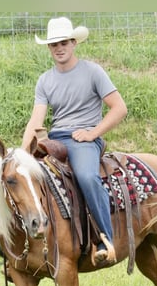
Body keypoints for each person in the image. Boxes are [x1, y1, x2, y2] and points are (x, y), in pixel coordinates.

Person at [21, 17, 128, 266]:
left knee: (87, 177)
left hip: (84, 140)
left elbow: (119, 108)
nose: (59, 48)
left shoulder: (93, 72)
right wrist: (23, 151)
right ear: (49, 48)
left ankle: (105, 239)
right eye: (53, 44)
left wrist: (93, 133)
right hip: (56, 138)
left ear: (73, 43)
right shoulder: (45, 80)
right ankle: (26, 248)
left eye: (64, 43)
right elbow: (36, 119)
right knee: (24, 178)